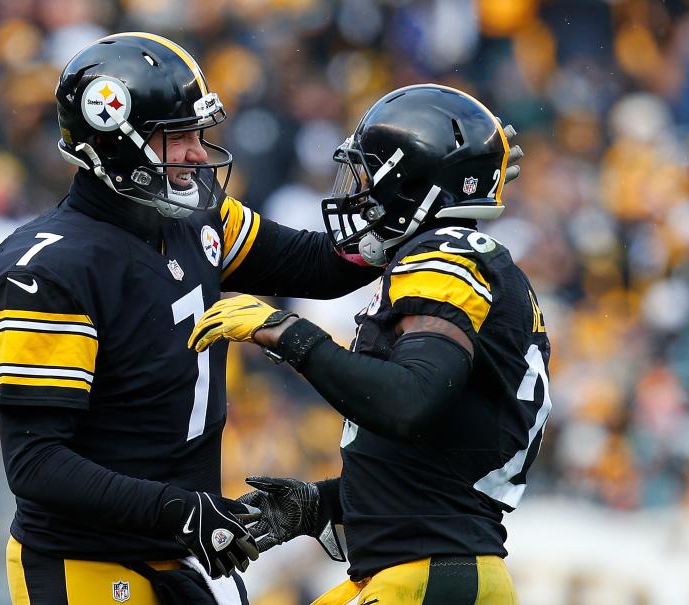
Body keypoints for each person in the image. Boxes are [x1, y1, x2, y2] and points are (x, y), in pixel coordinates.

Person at [0, 32, 385, 605]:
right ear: (115, 141)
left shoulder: (195, 218)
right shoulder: (50, 267)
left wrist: (413, 206)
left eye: (198, 133)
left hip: (180, 549)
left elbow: (320, 266)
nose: (198, 152)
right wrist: (182, 511)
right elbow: (37, 463)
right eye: (178, 136)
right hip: (88, 561)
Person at [189, 84, 549, 604]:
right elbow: (437, 464)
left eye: (368, 173)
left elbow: (411, 400)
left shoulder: (445, 256)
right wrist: (320, 507)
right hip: (427, 569)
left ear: (411, 183)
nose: (356, 191)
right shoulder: (455, 258)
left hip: (428, 575)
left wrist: (285, 333)